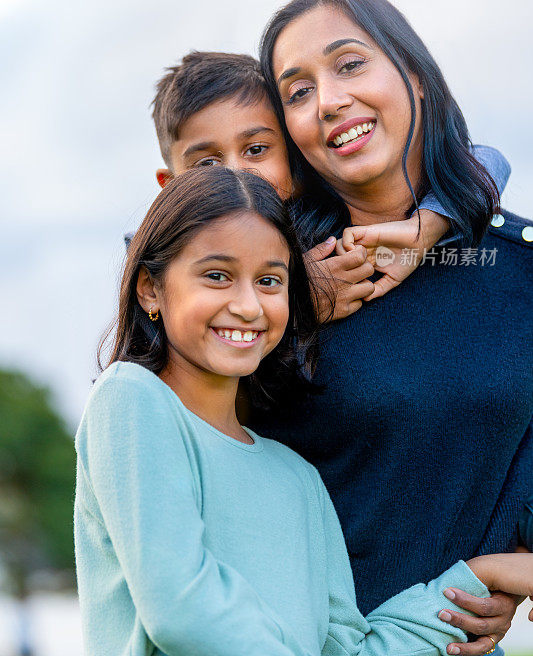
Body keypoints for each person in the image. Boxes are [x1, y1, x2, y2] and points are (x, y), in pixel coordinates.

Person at [74, 167, 533, 656]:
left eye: (270, 280)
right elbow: (182, 609)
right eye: (217, 275)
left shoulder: (297, 477)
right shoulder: (131, 399)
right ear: (149, 289)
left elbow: (349, 650)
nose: (249, 306)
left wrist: (479, 577)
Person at [252, 0, 533, 656]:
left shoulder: (517, 269)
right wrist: (287, 301)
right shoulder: (268, 285)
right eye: (296, 91)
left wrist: (517, 568)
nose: (328, 101)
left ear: (414, 77)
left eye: (349, 64)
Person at [149, 50, 510, 317]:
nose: (235, 174)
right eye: (207, 163)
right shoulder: (165, 264)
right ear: (169, 186)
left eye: (256, 149)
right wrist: (296, 302)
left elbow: (486, 160)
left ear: (294, 152)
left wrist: (429, 224)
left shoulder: (326, 225)